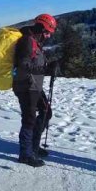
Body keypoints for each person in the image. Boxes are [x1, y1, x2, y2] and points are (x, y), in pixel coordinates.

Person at [12, 14, 59, 167]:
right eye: (47, 31)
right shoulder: (27, 41)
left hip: (34, 83)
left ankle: (33, 146)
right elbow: (23, 63)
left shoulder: (35, 40)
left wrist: (50, 65)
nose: (49, 35)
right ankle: (25, 154)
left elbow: (35, 62)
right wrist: (45, 68)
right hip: (25, 84)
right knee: (29, 118)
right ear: (40, 27)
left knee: (46, 112)